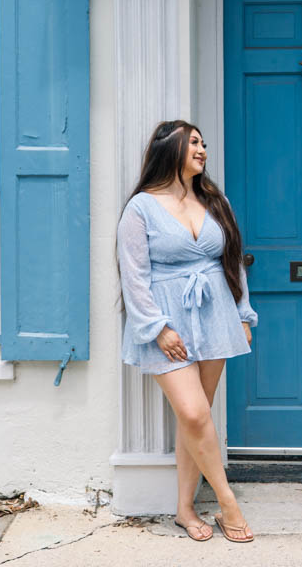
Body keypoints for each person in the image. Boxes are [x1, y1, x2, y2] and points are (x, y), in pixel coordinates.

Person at [117, 120, 257, 544]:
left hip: (215, 315)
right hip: (168, 320)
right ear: (171, 148)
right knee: (195, 414)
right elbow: (134, 276)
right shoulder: (140, 208)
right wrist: (158, 329)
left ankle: (184, 508)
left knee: (194, 419)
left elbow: (232, 261)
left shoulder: (216, 201)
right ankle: (227, 501)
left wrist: (244, 315)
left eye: (203, 143)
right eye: (193, 143)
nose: (202, 149)